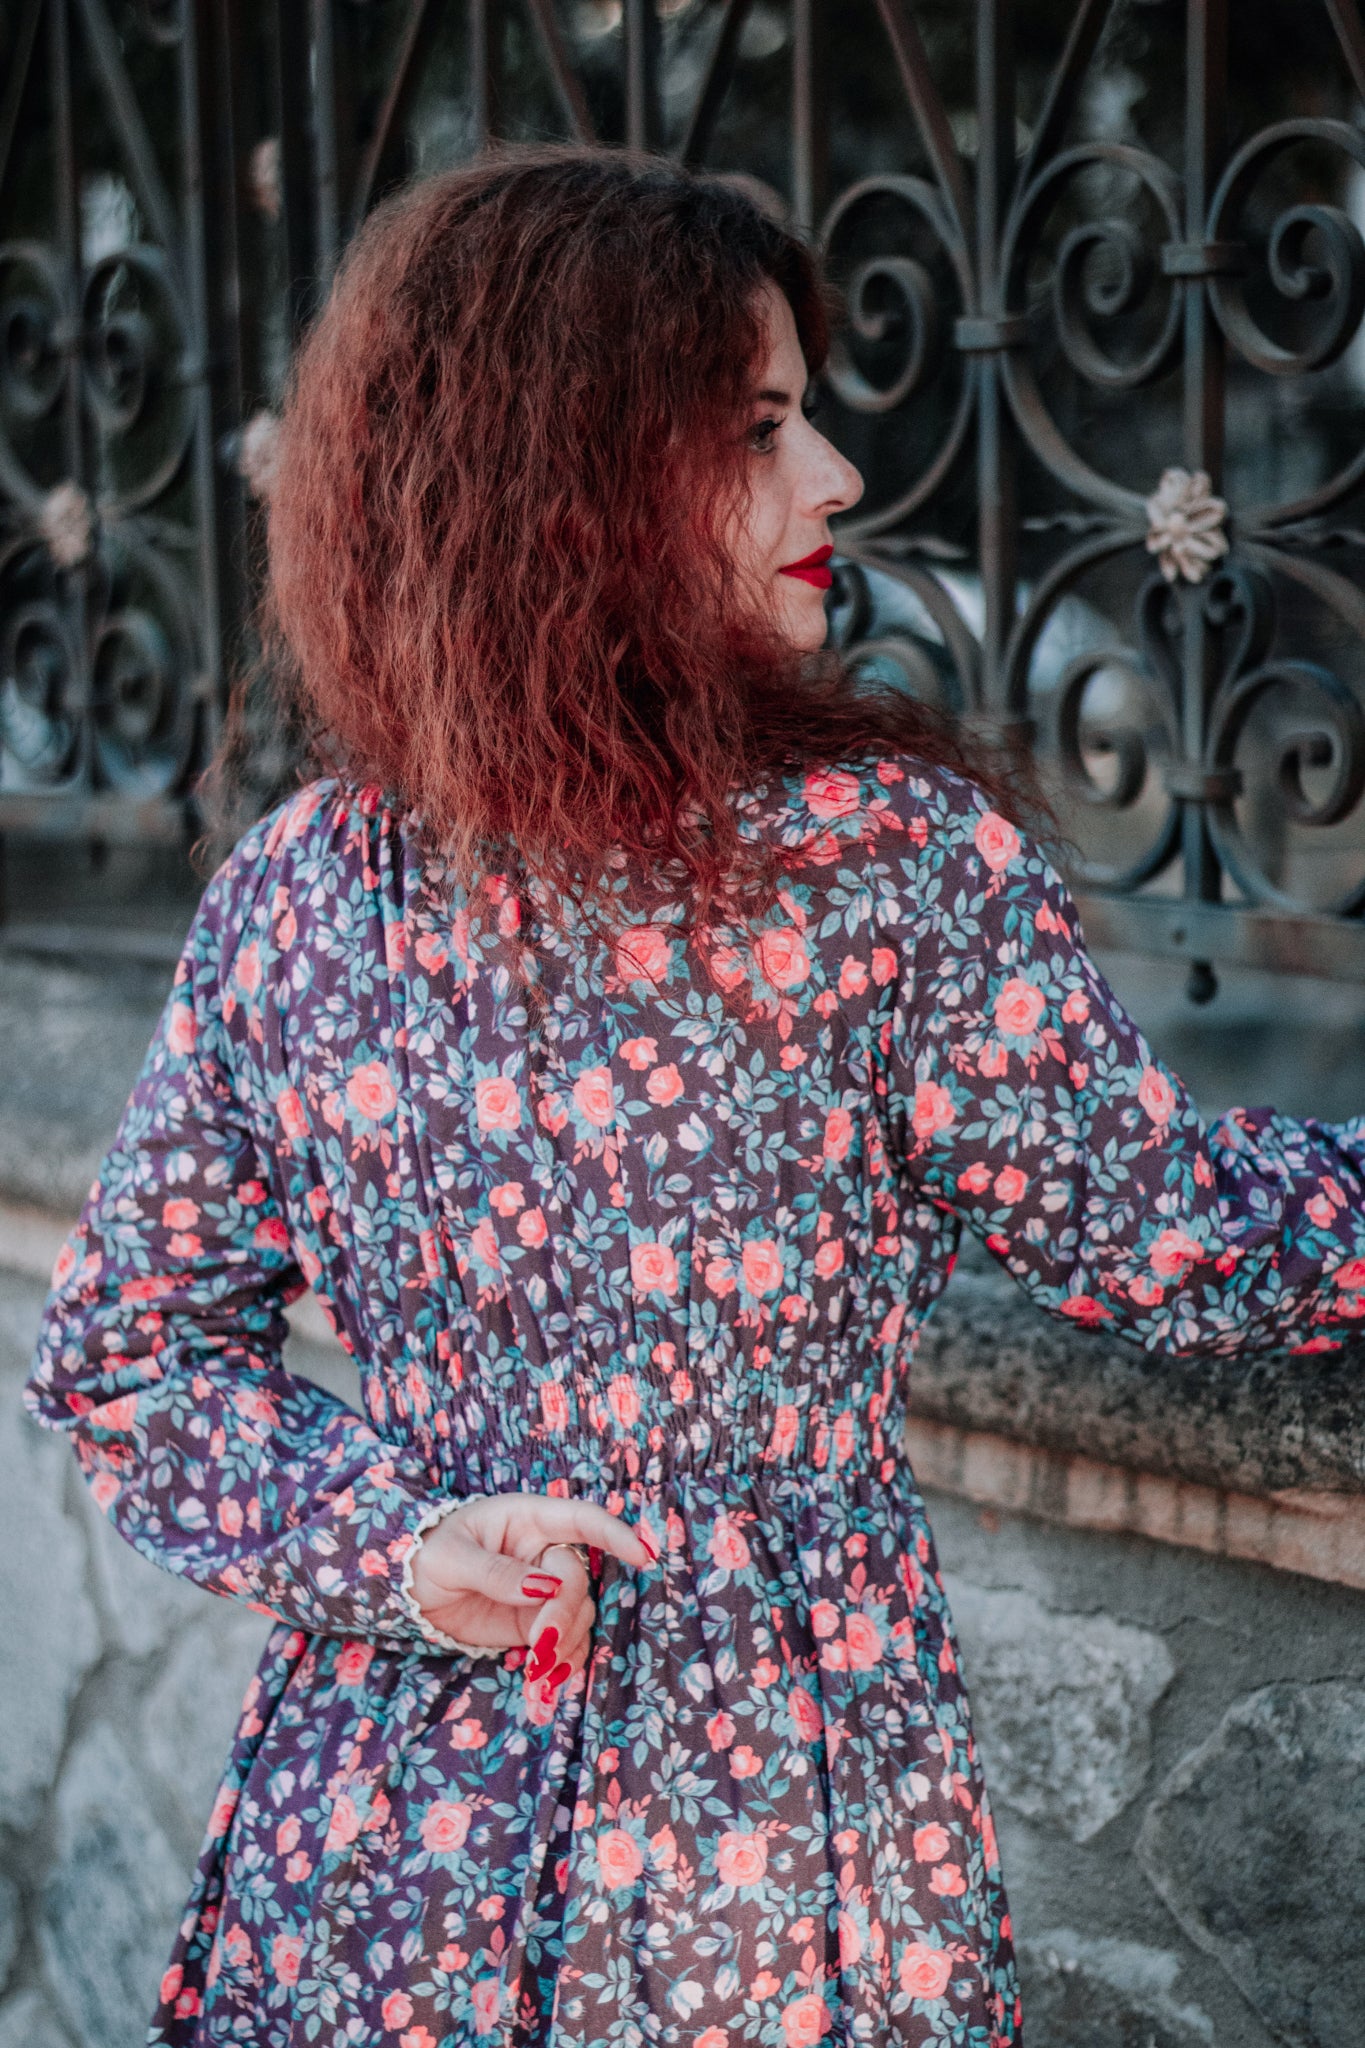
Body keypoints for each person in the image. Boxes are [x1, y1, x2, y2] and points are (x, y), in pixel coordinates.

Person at [23, 144, 1365, 2048]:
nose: (834, 479)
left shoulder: (314, 884)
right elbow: (1168, 1242)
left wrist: (399, 1557)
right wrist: (401, 1547)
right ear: (560, 475)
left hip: (399, 1813)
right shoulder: (858, 866)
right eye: (756, 427)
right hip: (753, 1825)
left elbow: (131, 1370)